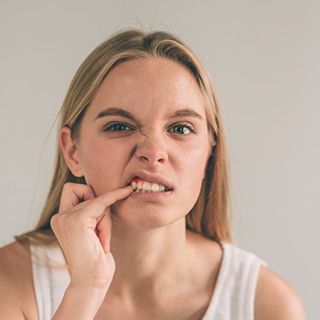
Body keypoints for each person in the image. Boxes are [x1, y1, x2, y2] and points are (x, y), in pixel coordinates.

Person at [0, 29, 306, 320]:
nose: (153, 151)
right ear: (72, 152)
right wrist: (85, 290)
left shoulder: (267, 305)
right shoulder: (10, 283)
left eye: (180, 128)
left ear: (210, 152)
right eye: (120, 126)